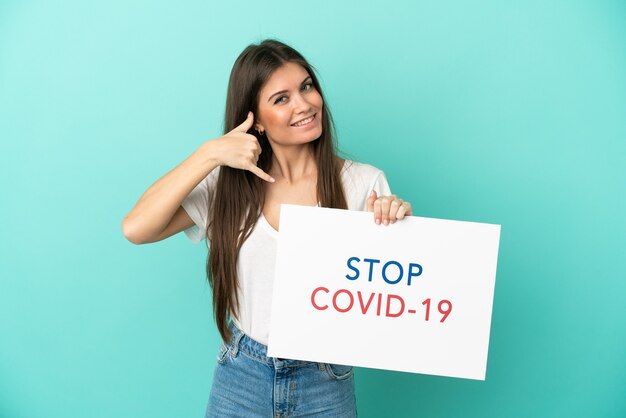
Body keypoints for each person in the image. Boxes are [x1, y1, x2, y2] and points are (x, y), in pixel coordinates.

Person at [122, 38, 412, 417]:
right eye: (282, 98)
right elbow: (137, 228)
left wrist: (395, 224)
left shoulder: (363, 184)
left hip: (326, 379)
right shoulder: (227, 188)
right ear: (254, 119)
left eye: (307, 87)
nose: (304, 104)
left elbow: (389, 295)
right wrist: (209, 154)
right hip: (243, 374)